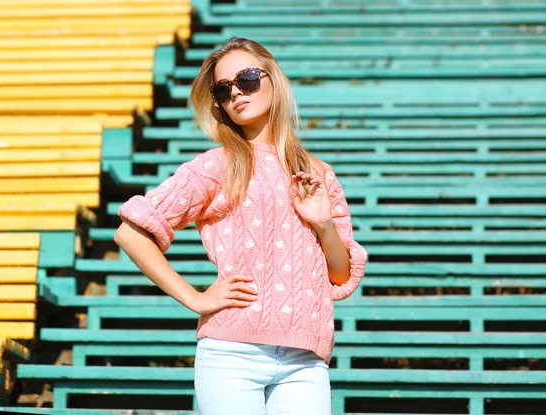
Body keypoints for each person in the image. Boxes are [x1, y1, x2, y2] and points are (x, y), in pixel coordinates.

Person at [114, 37, 368, 415]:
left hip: (305, 359)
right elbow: (130, 233)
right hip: (232, 354)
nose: (235, 92)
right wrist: (195, 298)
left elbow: (340, 276)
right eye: (223, 89)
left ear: (273, 80)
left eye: (247, 79)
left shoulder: (319, 174)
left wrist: (324, 224)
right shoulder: (218, 165)